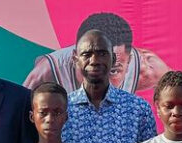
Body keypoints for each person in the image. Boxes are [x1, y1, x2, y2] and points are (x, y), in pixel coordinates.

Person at [23, 12, 170, 94]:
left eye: (113, 70)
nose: (100, 78)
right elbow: (19, 116)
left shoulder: (148, 70)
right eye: (92, 66)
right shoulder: (48, 70)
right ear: (75, 58)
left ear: (129, 61)